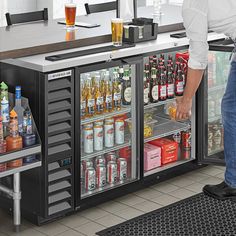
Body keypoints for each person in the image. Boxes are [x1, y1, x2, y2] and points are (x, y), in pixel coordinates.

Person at [177, 0, 236, 200]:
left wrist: (186, 101)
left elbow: (198, 57)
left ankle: (234, 182)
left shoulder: (193, 5)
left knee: (231, 111)